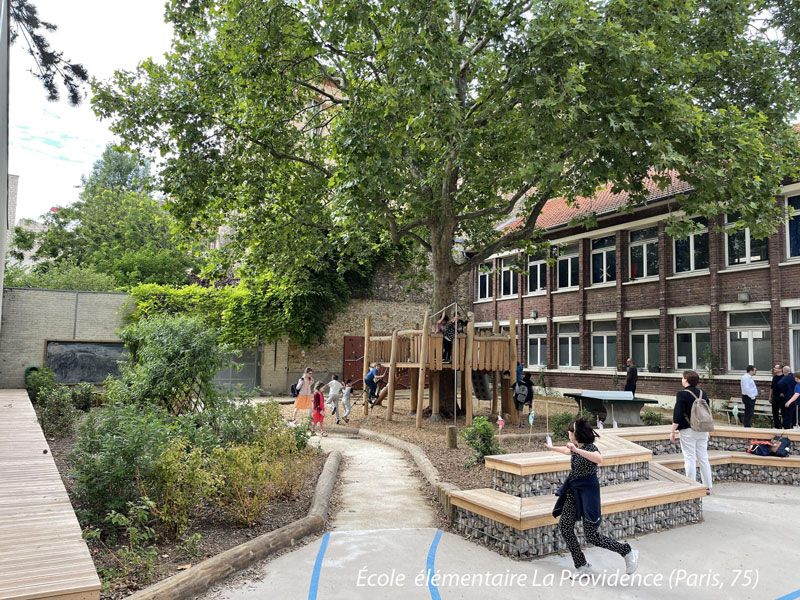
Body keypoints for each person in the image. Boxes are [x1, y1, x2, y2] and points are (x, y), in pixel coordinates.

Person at [547, 417, 639, 578]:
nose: (568, 433)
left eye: (571, 430)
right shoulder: (577, 447)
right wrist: (551, 447)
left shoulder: (590, 447)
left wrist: (576, 450)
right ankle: (582, 566)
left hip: (588, 494)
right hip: (573, 492)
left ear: (577, 434)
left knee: (592, 536)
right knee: (565, 526)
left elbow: (599, 459)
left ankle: (626, 551)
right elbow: (567, 450)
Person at [670, 370, 713, 494]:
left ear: (686, 380)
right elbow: (707, 412)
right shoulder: (702, 393)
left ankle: (691, 486)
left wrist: (672, 431)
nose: (681, 380)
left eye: (682, 378)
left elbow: (678, 415)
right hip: (703, 430)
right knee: (703, 458)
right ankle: (708, 486)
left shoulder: (682, 394)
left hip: (688, 430)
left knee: (689, 458)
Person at [769, 363, 784, 429]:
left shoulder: (784, 377)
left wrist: (783, 393)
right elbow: (772, 387)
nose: (774, 369)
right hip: (775, 397)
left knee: (783, 412)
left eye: (776, 368)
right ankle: (777, 426)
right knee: (775, 412)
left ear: (780, 369)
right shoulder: (774, 377)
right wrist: (770, 396)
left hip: (782, 398)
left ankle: (784, 425)